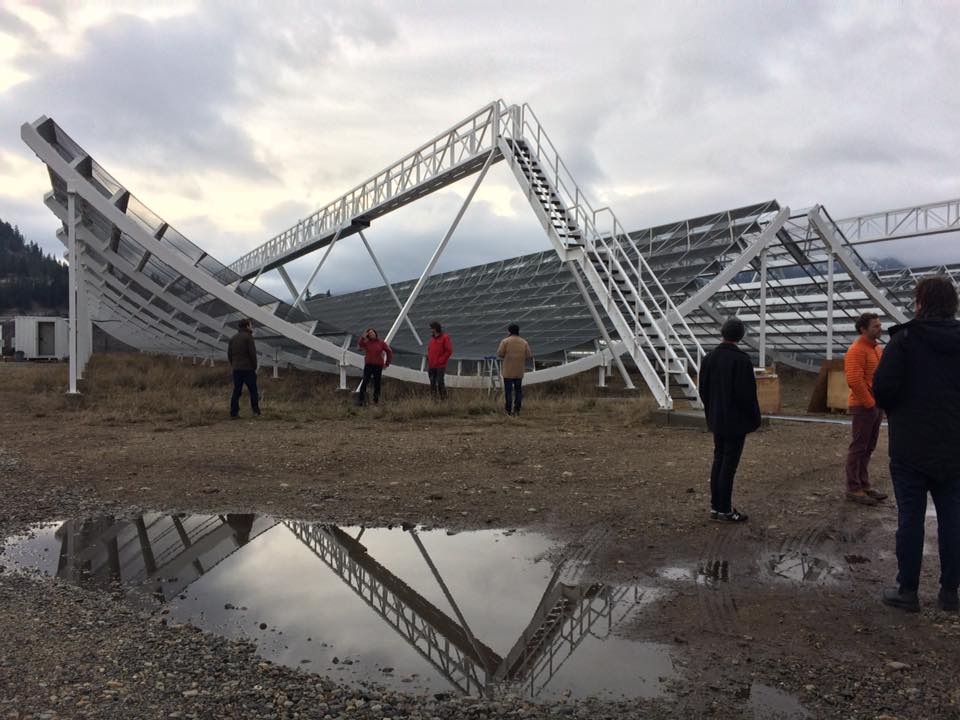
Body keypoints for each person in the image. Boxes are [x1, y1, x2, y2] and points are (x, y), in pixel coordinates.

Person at [874, 277, 960, 613]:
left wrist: (901, 411)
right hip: (954, 445)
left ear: (920, 302)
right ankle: (950, 592)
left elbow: (882, 388)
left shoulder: (904, 340)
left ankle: (907, 591)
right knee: (953, 518)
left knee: (910, 518)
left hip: (910, 446)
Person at [697, 317, 762, 523]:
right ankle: (724, 510)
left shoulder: (708, 358)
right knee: (729, 465)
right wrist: (754, 418)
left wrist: (711, 411)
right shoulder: (741, 360)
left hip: (717, 419)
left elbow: (703, 390)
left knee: (718, 461)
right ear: (740, 336)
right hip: (735, 422)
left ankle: (716, 507)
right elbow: (747, 395)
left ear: (722, 333)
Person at [843, 312, 887, 506]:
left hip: (874, 405)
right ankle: (853, 487)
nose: (880, 328)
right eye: (875, 326)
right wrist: (870, 404)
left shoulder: (876, 349)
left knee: (868, 446)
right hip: (864, 406)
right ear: (863, 329)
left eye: (879, 325)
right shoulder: (857, 350)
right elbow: (854, 380)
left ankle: (864, 484)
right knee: (859, 447)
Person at [227, 318, 260, 418]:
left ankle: (233, 412)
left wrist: (234, 364)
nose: (251, 327)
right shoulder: (248, 337)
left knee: (237, 391)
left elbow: (229, 354)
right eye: (250, 325)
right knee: (253, 390)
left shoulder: (233, 338)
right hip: (248, 369)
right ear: (247, 326)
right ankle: (256, 411)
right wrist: (254, 366)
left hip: (237, 369)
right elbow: (252, 354)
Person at [497, 323, 532, 416]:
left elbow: (500, 353)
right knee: (518, 391)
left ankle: (508, 411)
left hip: (508, 371)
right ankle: (517, 410)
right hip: (519, 371)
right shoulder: (524, 342)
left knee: (508, 391)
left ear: (509, 331)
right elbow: (528, 355)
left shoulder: (505, 341)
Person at [356, 328, 393, 405]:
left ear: (375, 333)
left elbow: (389, 351)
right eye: (369, 333)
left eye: (372, 332)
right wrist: (363, 337)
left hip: (378, 365)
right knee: (365, 381)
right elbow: (360, 345)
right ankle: (361, 400)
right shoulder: (367, 343)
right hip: (368, 365)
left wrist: (387, 363)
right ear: (368, 335)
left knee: (377, 383)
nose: (371, 334)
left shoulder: (381, 343)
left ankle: (376, 400)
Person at [426, 321, 453, 400]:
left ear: (436, 328)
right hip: (432, 365)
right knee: (432, 383)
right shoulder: (432, 339)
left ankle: (444, 399)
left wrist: (441, 360)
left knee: (440, 382)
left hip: (440, 365)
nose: (431, 330)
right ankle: (434, 399)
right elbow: (430, 350)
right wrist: (429, 359)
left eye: (432, 328)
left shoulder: (444, 338)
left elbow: (449, 351)